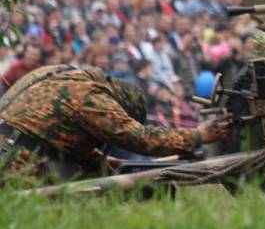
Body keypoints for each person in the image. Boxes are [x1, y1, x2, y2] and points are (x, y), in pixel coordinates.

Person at [0, 65, 232, 183]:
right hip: (17, 165)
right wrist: (197, 136)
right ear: (118, 104)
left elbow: (52, 130)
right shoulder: (90, 96)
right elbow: (140, 138)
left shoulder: (60, 73)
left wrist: (98, 160)